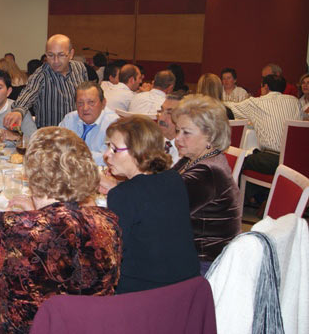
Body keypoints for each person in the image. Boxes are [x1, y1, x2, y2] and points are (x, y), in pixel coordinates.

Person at [0, 126, 122, 333]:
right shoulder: (109, 222)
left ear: (32, 173)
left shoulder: (13, 227)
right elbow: (64, 225)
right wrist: (38, 212)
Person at [104, 116, 200, 293]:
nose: (107, 155)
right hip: (187, 288)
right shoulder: (173, 179)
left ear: (139, 152)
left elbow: (111, 254)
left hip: (145, 294)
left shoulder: (123, 195)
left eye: (115, 149)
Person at [171, 95, 242, 272]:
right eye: (177, 131)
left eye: (186, 132)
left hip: (204, 263)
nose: (177, 139)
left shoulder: (208, 171)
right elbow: (165, 185)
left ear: (210, 135)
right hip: (192, 253)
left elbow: (162, 208)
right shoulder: (196, 159)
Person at [225, 74, 303, 203]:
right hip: (293, 161)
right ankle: (258, 197)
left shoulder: (257, 102)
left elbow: (229, 108)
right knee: (254, 158)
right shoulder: (294, 101)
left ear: (265, 87)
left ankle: (233, 202)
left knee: (237, 161)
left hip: (272, 159)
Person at [4, 34, 88, 129]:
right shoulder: (41, 74)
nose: (55, 61)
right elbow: (28, 93)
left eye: (61, 55)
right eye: (50, 55)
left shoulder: (79, 68)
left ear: (71, 54)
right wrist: (18, 111)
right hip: (50, 135)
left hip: (77, 130)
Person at [59, 81, 118, 166]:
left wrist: (74, 153)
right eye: (80, 103)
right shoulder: (69, 119)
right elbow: (57, 147)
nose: (85, 108)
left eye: (91, 102)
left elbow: (109, 158)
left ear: (103, 103)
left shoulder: (114, 124)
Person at [157, 92, 185, 167]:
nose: (161, 118)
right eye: (161, 111)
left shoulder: (188, 152)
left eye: (170, 113)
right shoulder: (151, 143)